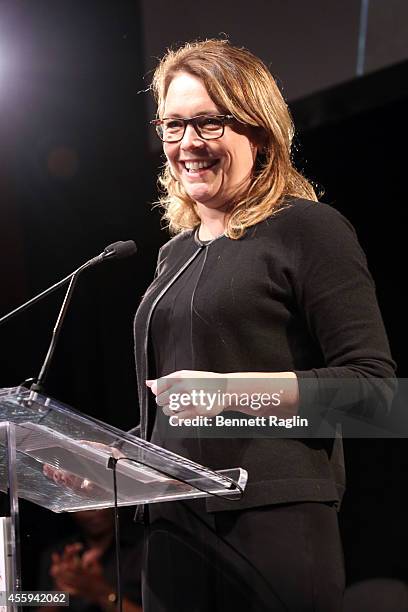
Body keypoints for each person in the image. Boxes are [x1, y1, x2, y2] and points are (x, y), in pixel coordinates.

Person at [131, 39, 396, 611]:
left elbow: (376, 395)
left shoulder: (309, 230)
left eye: (208, 122)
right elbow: (171, 415)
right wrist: (106, 468)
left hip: (270, 524)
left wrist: (230, 394)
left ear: (258, 128)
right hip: (172, 532)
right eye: (173, 126)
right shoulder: (172, 257)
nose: (187, 144)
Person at [37, 508, 143, 612]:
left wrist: (101, 592)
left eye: (100, 499)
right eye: (86, 506)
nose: (94, 511)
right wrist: (60, 591)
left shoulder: (142, 548)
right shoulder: (57, 554)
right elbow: (29, 601)